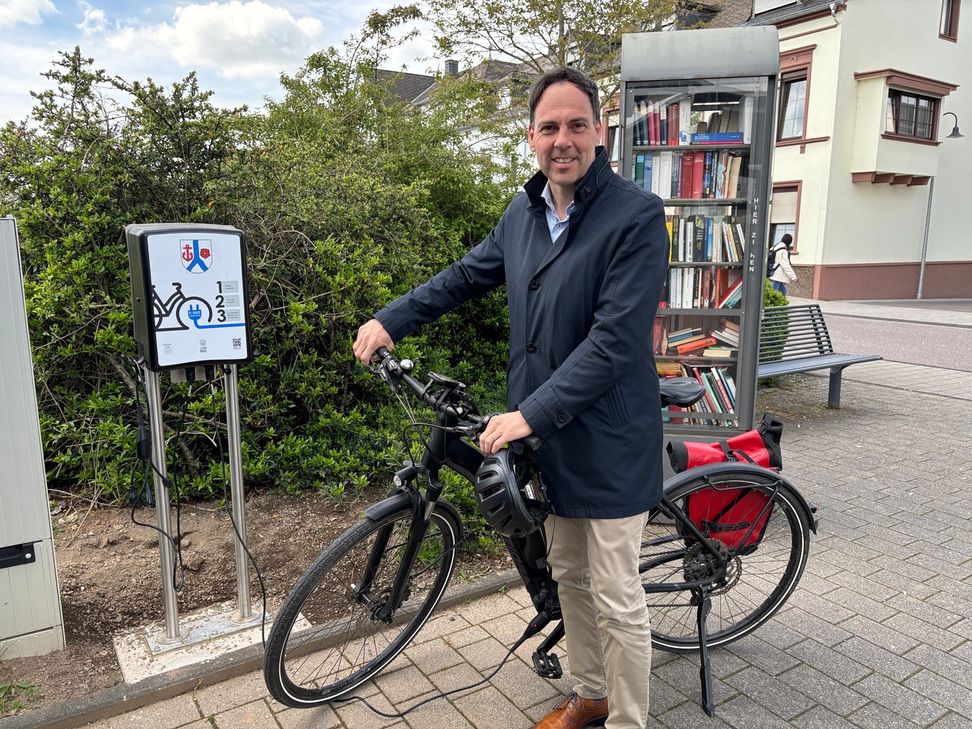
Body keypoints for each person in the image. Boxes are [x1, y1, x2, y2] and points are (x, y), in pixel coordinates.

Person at [353, 67, 668, 729]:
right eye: (549, 127)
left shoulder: (635, 217)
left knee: (615, 594)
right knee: (570, 581)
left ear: (600, 132)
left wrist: (527, 412)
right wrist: (393, 318)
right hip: (549, 442)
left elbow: (613, 344)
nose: (563, 140)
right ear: (530, 137)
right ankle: (590, 693)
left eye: (576, 125)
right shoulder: (523, 213)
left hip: (607, 441)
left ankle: (629, 721)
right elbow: (466, 276)